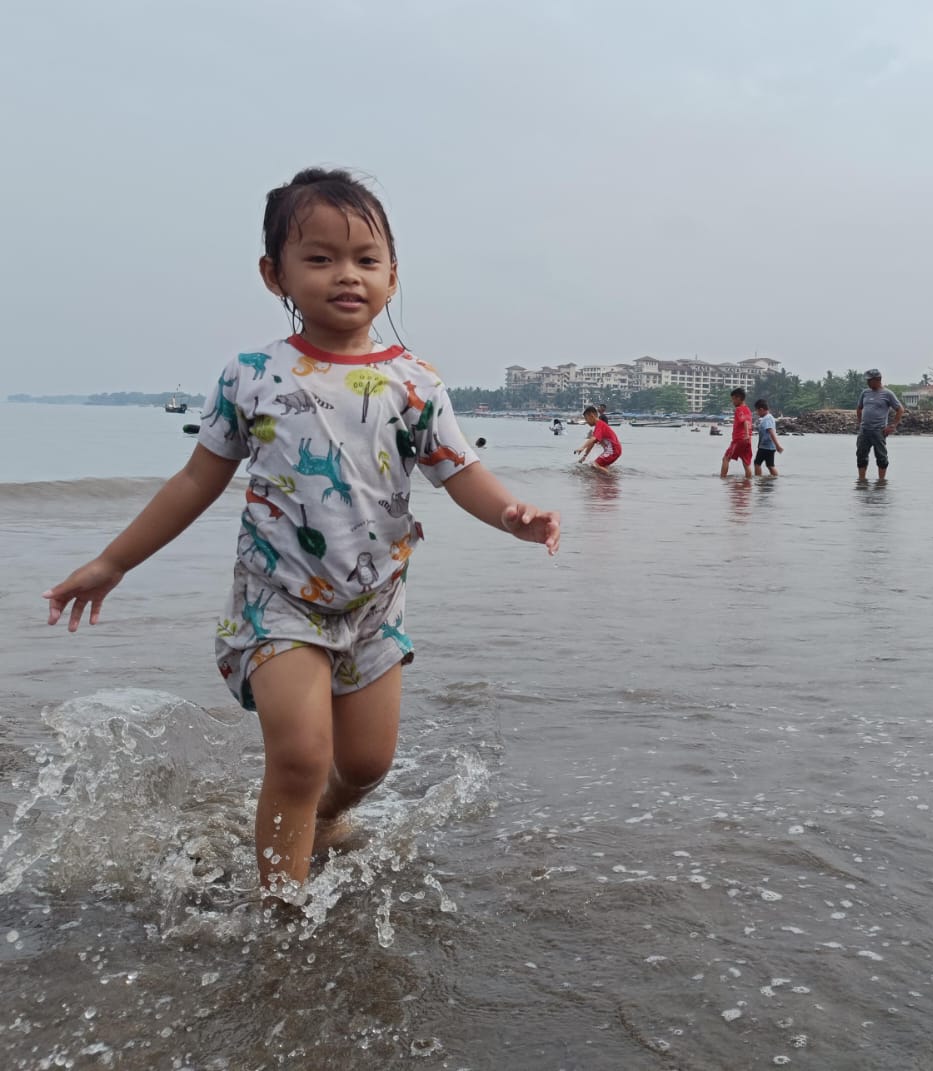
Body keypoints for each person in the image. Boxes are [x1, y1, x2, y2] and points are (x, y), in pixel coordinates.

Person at [41, 168, 561, 896]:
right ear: (273, 274)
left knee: (368, 765)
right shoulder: (252, 375)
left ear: (392, 274)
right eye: (319, 258)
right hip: (278, 600)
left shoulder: (416, 383)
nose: (346, 275)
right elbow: (196, 480)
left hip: (375, 606)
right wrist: (112, 561)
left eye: (365, 259)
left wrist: (511, 513)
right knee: (298, 757)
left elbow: (459, 471)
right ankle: (280, 916)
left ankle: (321, 820)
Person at [855, 369, 904, 480]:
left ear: (878, 380)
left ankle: (881, 482)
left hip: (879, 431)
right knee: (861, 456)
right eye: (867, 380)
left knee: (881, 457)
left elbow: (900, 409)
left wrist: (892, 426)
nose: (867, 382)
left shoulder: (888, 394)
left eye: (869, 380)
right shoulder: (865, 392)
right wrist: (860, 423)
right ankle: (861, 481)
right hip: (864, 431)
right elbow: (859, 408)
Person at [721, 387, 754, 478]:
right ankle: (748, 483)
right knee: (746, 463)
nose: (733, 402)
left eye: (733, 399)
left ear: (738, 398)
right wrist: (748, 435)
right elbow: (749, 422)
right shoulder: (748, 410)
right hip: (747, 440)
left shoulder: (739, 409)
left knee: (725, 459)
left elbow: (744, 422)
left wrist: (746, 434)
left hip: (739, 439)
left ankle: (722, 480)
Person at [576, 404, 622, 468]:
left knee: (595, 465)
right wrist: (584, 456)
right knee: (597, 466)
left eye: (586, 419)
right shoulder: (598, 427)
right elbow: (592, 443)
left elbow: (593, 439)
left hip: (613, 451)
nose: (586, 421)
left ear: (591, 416)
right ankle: (606, 477)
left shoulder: (600, 424)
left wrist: (582, 447)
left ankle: (611, 477)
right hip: (613, 450)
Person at [753, 399, 784, 476]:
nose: (757, 413)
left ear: (761, 409)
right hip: (769, 447)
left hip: (765, 446)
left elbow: (771, 432)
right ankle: (775, 479)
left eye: (757, 411)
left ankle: (758, 480)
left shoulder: (767, 418)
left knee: (757, 463)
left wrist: (778, 445)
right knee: (770, 465)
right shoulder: (768, 418)